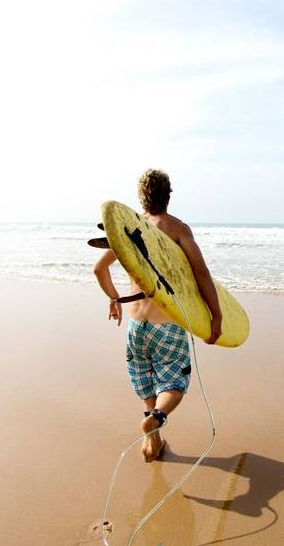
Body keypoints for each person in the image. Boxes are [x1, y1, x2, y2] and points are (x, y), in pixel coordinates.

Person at [93, 169, 222, 463]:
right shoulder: (177, 229)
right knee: (174, 384)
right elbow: (201, 273)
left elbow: (99, 269)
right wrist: (216, 317)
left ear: (141, 197)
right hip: (168, 325)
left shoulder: (128, 230)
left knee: (145, 379)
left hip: (137, 324)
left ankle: (154, 438)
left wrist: (114, 298)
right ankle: (158, 418)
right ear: (168, 195)